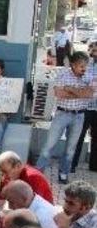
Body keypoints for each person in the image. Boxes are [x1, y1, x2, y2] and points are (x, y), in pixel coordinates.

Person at [37, 51, 94, 183]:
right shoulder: (63, 73)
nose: (84, 68)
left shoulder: (89, 76)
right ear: (73, 65)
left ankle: (63, 173)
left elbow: (89, 94)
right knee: (49, 145)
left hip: (79, 115)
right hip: (62, 113)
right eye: (81, 65)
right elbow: (59, 93)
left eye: (86, 65)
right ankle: (38, 172)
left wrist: (70, 88)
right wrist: (80, 92)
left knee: (70, 148)